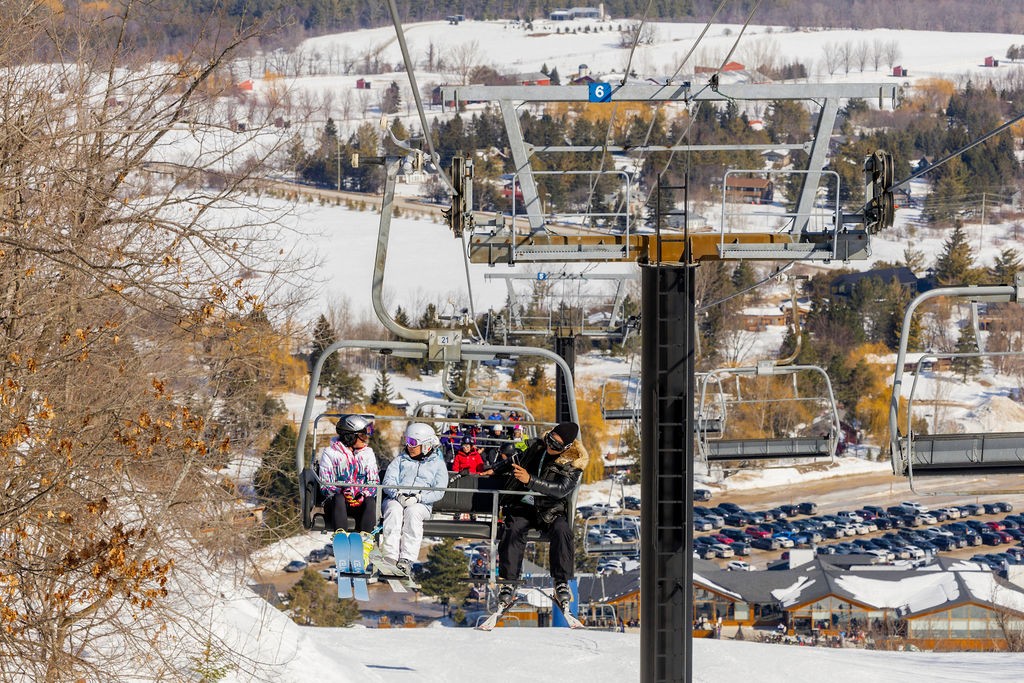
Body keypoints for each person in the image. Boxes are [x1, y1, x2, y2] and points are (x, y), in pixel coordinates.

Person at [492, 421, 589, 608]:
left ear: (566, 447)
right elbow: (515, 460)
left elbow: (561, 489)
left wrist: (530, 480)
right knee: (513, 530)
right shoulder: (538, 446)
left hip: (549, 510)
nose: (550, 446)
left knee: (563, 532)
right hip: (525, 507)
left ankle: (561, 581)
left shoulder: (573, 463)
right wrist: (494, 469)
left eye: (557, 445)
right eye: (550, 440)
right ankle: (509, 582)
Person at [380, 422, 449, 575]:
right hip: (397, 498)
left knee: (413, 513)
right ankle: (390, 556)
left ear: (426, 445)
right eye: (407, 441)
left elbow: (439, 490)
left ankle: (406, 558)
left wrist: (419, 497)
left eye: (413, 443)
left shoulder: (438, 465)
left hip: (421, 504)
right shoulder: (400, 460)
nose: (409, 446)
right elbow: (388, 481)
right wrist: (397, 494)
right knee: (393, 509)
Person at [317, 414, 379, 533]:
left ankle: (366, 539)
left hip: (358, 503)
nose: (365, 439)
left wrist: (363, 495)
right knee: (339, 498)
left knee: (370, 501)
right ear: (350, 437)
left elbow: (374, 481)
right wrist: (343, 492)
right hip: (337, 505)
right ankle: (341, 537)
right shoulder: (330, 453)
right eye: (362, 435)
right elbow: (325, 484)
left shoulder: (367, 453)